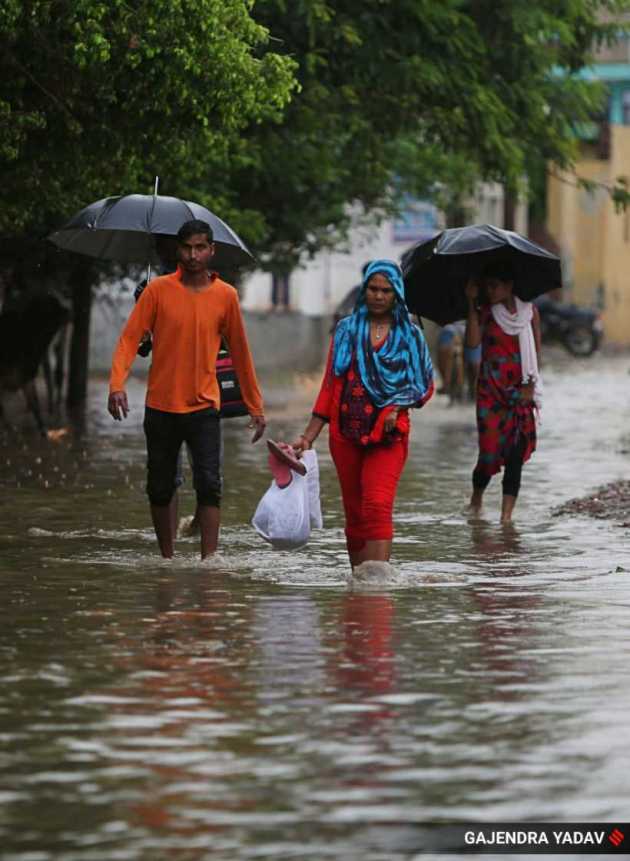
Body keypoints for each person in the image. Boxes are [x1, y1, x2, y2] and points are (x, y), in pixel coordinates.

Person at [108, 219, 266, 559]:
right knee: (160, 486)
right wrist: (116, 384)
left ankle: (209, 562)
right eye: (186, 248)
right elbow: (129, 339)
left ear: (212, 250)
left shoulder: (226, 296)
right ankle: (167, 558)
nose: (193, 255)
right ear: (177, 250)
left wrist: (255, 406)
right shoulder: (157, 291)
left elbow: (240, 352)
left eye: (199, 248)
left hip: (204, 406)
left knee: (210, 485)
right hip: (161, 406)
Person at [292, 259, 434, 568]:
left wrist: (398, 407)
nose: (379, 296)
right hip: (345, 433)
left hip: (389, 433)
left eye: (386, 290)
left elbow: (423, 386)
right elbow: (331, 386)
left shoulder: (410, 335)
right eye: (373, 289)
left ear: (396, 293)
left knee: (378, 504)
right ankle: (358, 588)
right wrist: (308, 437)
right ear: (364, 289)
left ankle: (378, 586)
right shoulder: (346, 330)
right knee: (355, 511)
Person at [464, 261, 542, 523]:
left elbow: (536, 352)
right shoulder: (485, 312)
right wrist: (471, 304)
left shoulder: (530, 313)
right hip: (491, 392)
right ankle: (476, 499)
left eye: (494, 285)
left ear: (509, 286)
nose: (490, 290)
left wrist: (532, 385)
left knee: (515, 454)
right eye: (487, 286)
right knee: (488, 451)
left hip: (521, 392)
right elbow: (473, 343)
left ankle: (506, 518)